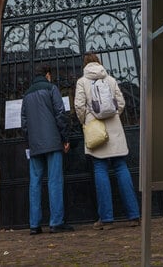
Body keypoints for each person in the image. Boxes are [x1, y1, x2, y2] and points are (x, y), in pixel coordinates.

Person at [74, 53, 141, 230]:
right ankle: (134, 215)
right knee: (121, 167)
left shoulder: (82, 81)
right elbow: (121, 102)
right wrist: (113, 116)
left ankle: (106, 219)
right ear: (99, 62)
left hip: (96, 131)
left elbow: (79, 106)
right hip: (115, 129)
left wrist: (87, 121)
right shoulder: (110, 79)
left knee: (100, 169)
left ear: (85, 64)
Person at [21, 63, 74, 235]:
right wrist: (65, 138)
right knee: (54, 180)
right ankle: (56, 222)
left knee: (34, 183)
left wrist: (28, 142)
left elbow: (24, 123)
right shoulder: (51, 88)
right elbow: (60, 113)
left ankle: (34, 225)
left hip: (35, 144)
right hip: (52, 141)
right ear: (48, 75)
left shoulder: (26, 94)